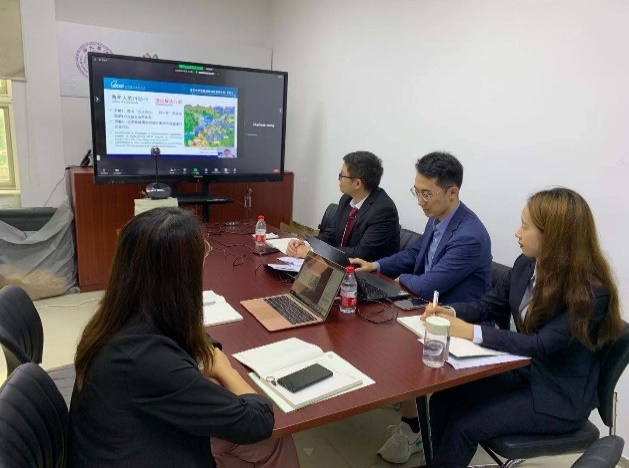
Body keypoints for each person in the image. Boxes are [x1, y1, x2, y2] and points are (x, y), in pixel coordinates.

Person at [67, 208, 299, 468]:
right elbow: (259, 420)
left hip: (130, 440)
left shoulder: (118, 319)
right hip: (145, 451)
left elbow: (184, 333)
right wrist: (225, 370)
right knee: (272, 439)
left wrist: (209, 354)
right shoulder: (147, 358)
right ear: (179, 277)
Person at [422, 187, 623, 467]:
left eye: (525, 227)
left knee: (463, 426)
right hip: (521, 373)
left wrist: (469, 331)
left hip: (556, 396)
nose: (517, 233)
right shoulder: (526, 265)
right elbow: (489, 305)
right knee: (442, 399)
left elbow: (541, 345)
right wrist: (450, 312)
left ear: (554, 236)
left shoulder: (591, 293)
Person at [351, 151, 492, 464]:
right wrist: (376, 265)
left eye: (426, 194)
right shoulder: (437, 218)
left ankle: (413, 427)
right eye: (416, 191)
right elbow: (414, 254)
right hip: (426, 308)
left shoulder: (469, 236)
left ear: (452, 192)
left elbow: (430, 284)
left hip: (456, 320)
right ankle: (411, 414)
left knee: (393, 346)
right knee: (368, 324)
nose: (420, 201)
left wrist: (399, 279)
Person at [286, 150, 400, 261]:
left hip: (367, 271)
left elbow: (361, 253)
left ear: (357, 183)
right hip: (339, 264)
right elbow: (331, 235)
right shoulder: (347, 199)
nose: (339, 179)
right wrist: (306, 243)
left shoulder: (383, 211)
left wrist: (314, 252)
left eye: (342, 175)